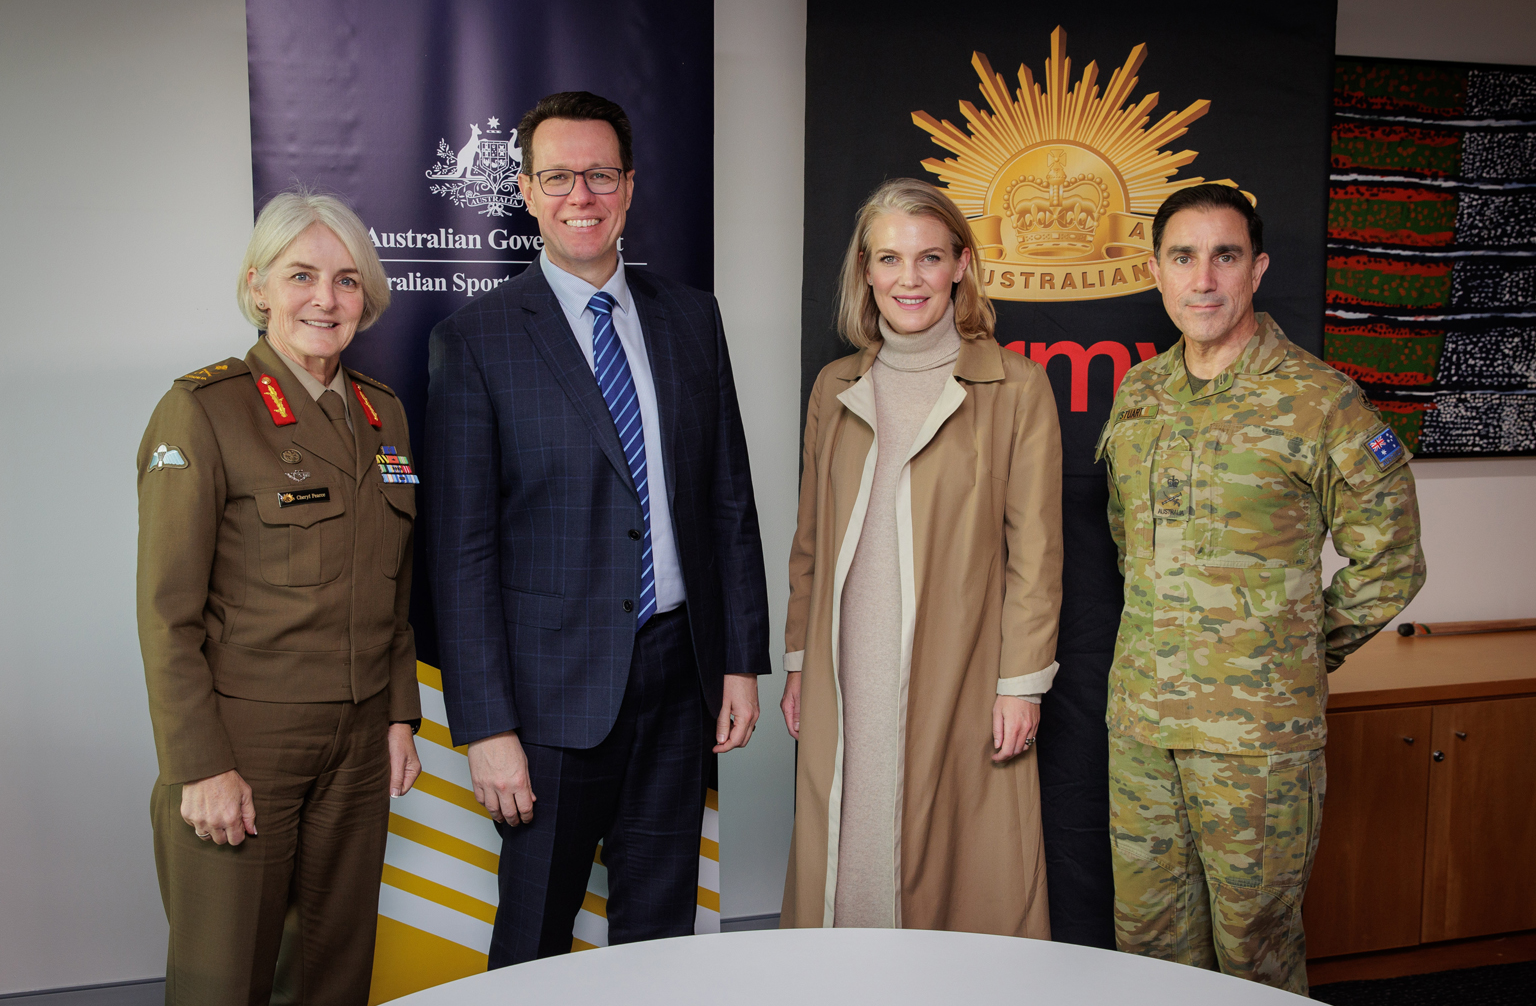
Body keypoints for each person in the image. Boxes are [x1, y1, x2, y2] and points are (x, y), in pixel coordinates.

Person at [424, 91, 770, 966]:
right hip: (546, 702)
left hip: (678, 675)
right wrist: (486, 727)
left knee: (658, 941)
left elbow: (729, 497)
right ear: (529, 191)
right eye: (559, 176)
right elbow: (459, 553)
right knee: (535, 937)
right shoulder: (476, 339)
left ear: (630, 185)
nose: (582, 194)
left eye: (601, 174)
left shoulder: (693, 317)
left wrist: (737, 657)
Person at [1096, 183, 1426, 993]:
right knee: (1147, 950)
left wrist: (1294, 651)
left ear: (1256, 270)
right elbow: (1126, 538)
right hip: (1143, 729)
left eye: (1225, 255)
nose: (1203, 278)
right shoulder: (1139, 393)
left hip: (1257, 742)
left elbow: (1392, 560)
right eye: (1183, 257)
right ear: (1156, 272)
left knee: (1254, 956)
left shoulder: (1321, 402)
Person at [137, 190, 423, 1006]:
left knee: (336, 971)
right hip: (246, 741)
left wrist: (399, 714)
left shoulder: (384, 415)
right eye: (302, 276)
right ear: (259, 286)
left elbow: (393, 587)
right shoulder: (203, 412)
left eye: (345, 280)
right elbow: (166, 614)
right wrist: (200, 765)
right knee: (223, 977)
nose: (324, 300)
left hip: (362, 737)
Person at [779, 178, 1063, 934]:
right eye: (890, 259)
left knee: (957, 871)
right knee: (849, 858)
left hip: (959, 669)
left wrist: (1022, 686)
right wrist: (801, 660)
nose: (910, 279)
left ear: (961, 265)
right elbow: (809, 539)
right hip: (846, 669)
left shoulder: (1017, 387)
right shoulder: (835, 386)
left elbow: (1036, 553)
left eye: (929, 258)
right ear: (866, 271)